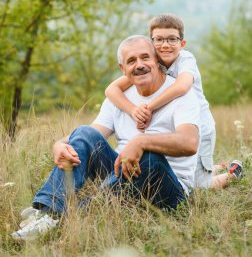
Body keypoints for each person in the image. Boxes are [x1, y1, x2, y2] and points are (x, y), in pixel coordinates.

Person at [12, 35, 200, 241]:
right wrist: (58, 144)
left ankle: (63, 218)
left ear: (156, 60)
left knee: (148, 157)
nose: (139, 65)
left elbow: (189, 143)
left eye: (145, 57)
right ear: (123, 69)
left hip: (168, 188)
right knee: (83, 132)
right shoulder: (118, 98)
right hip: (124, 173)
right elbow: (91, 135)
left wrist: (140, 141)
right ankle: (48, 210)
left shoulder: (180, 93)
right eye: (131, 61)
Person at [105, 14, 243, 189]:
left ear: (182, 43)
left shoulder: (185, 60)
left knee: (199, 186)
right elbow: (111, 89)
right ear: (151, 43)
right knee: (175, 172)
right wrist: (134, 111)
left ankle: (233, 174)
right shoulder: (153, 62)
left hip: (200, 128)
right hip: (177, 126)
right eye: (159, 40)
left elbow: (182, 87)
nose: (165, 45)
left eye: (172, 39)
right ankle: (215, 167)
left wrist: (149, 108)